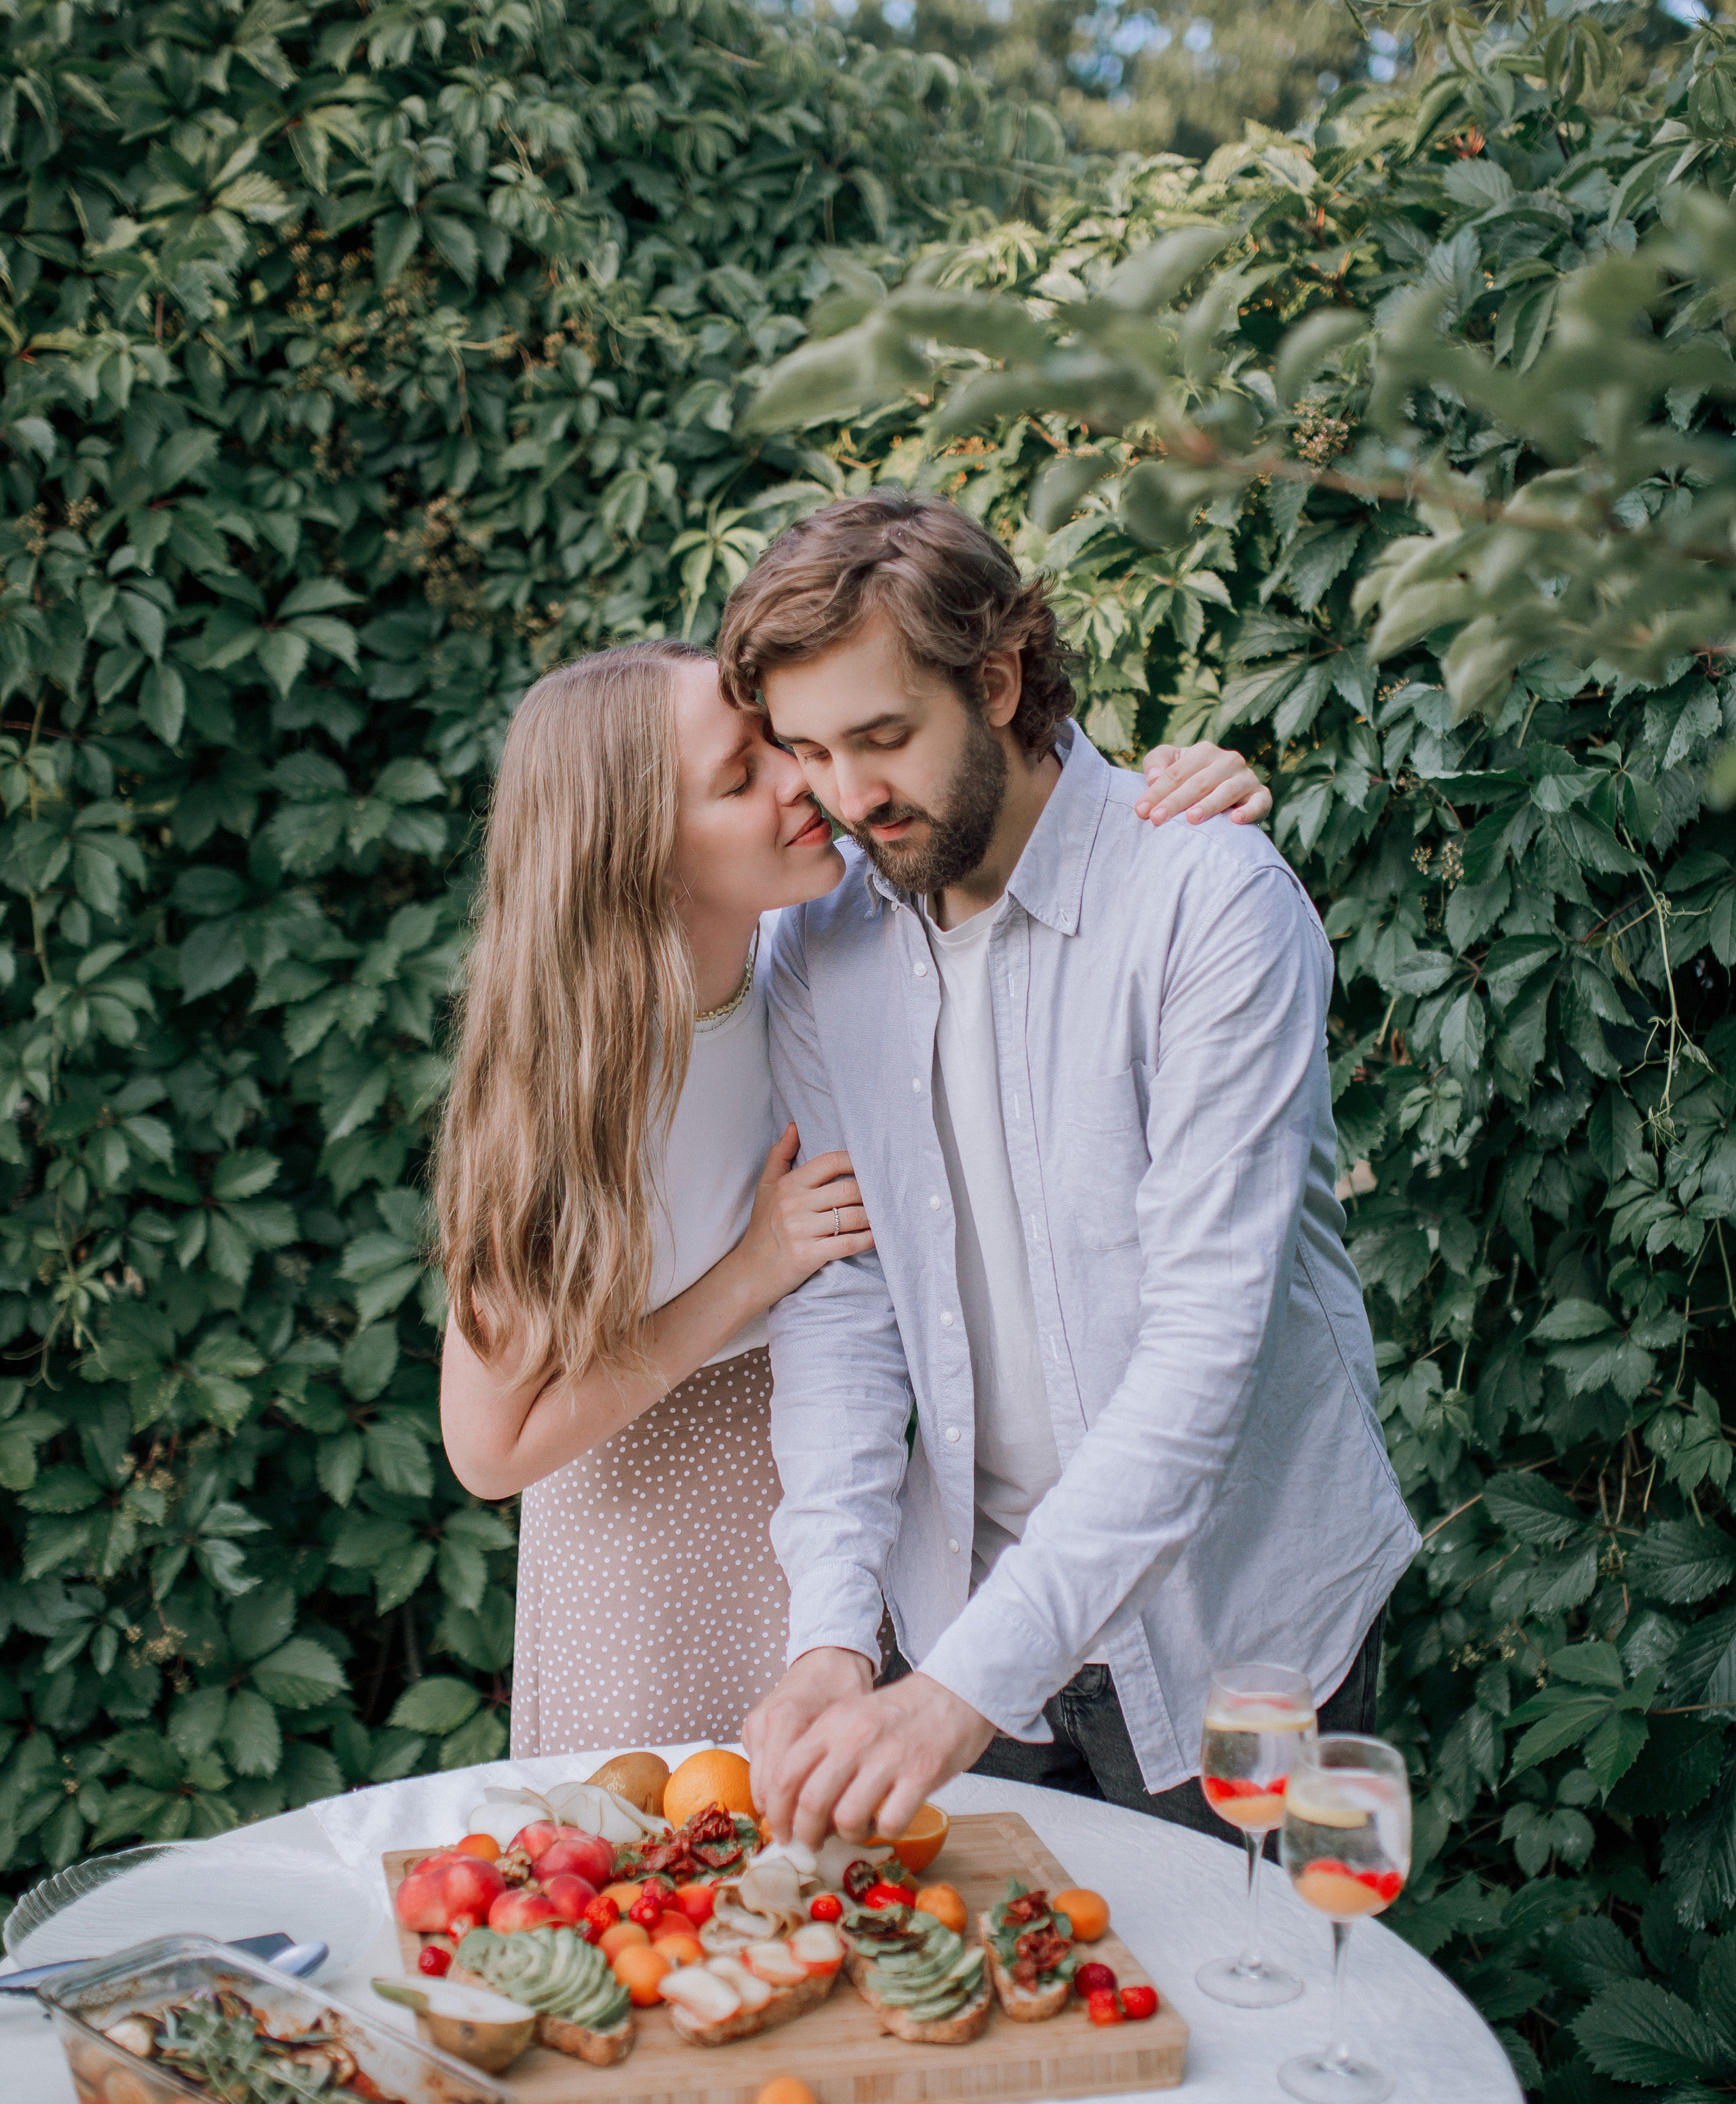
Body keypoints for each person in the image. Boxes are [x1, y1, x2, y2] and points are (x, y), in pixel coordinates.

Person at [725, 492, 1421, 1849]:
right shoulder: (819, 945)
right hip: (964, 1627)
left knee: (1288, 2010)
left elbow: (1200, 1353)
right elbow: (842, 1303)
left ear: (994, 681)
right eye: (808, 751)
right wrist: (831, 1635)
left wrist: (955, 1694)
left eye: (881, 739)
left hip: (1248, 1626)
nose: (847, 800)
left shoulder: (1208, 899)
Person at [435, 636, 1272, 1753]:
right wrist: (747, 1276)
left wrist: (1169, 788)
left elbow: (991, 810)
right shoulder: (574, 1090)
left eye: (778, 746)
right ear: (637, 856)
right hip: (643, 1514)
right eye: (742, 779)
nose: (807, 783)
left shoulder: (808, 945)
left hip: (822, 1475)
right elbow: (488, 1448)